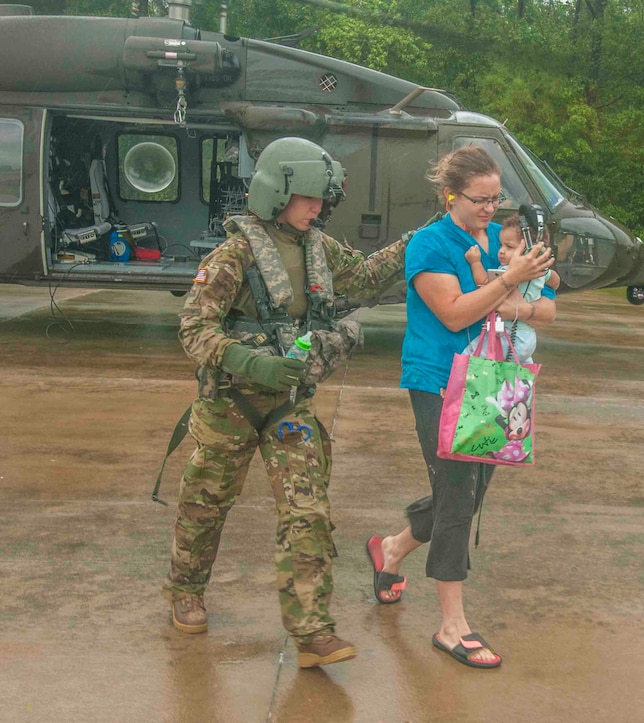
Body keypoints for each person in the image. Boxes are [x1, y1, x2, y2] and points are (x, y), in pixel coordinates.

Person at [162, 137, 407, 668]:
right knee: (204, 508)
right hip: (229, 407)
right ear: (277, 192)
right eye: (308, 198)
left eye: (323, 199)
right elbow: (193, 328)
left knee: (307, 512)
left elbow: (365, 276)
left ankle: (313, 632)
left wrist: (419, 241)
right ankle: (186, 589)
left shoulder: (319, 247)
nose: (318, 208)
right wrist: (252, 363)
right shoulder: (233, 256)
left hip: (288, 408)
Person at [365, 145, 555, 669]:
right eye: (480, 200)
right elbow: (453, 315)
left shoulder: (499, 238)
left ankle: (393, 549)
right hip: (440, 379)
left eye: (497, 199)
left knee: (470, 493)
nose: (491, 210)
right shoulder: (428, 245)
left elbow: (549, 307)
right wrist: (508, 286)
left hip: (494, 377)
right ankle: (453, 625)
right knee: (455, 491)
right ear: (452, 194)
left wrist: (519, 292)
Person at [464, 213, 560, 363]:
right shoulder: (539, 268)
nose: (501, 250)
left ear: (529, 250)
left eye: (509, 247)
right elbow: (555, 281)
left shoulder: (511, 270)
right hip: (528, 336)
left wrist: (475, 261)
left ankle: (457, 385)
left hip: (509, 335)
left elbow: (483, 282)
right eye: (501, 245)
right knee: (518, 375)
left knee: (469, 356)